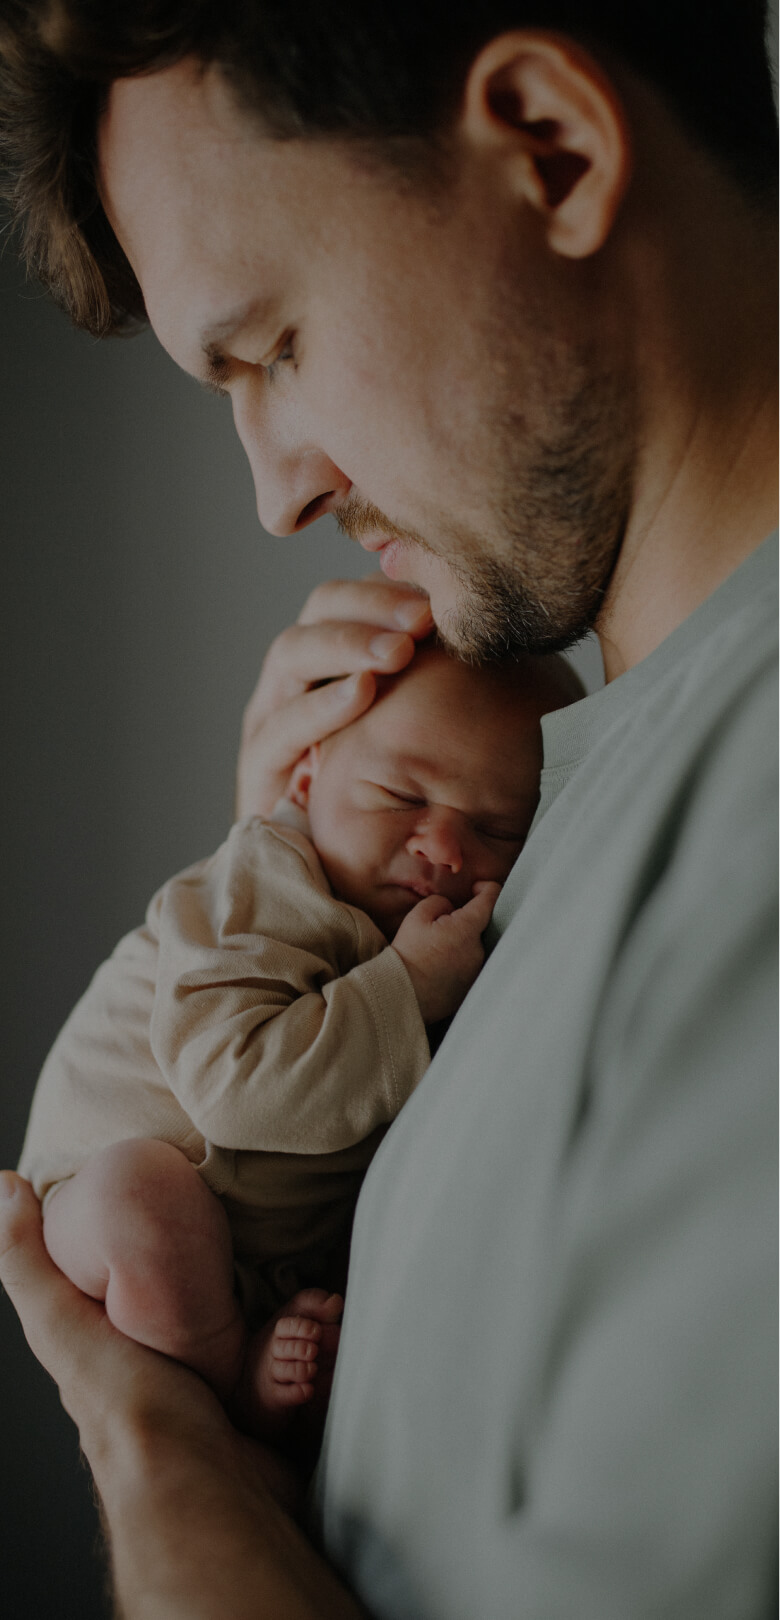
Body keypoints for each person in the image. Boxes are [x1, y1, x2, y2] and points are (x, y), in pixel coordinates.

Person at [0, 3, 776, 1618]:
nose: (279, 493)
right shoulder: (548, 826)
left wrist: (150, 1445)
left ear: (550, 149)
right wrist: (304, 886)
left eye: (274, 348)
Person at [18, 642, 578, 1432]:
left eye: (497, 828)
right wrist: (410, 989)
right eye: (399, 793)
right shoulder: (264, 880)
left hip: (251, 1255)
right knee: (140, 1195)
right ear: (308, 782)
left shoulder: (434, 943)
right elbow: (236, 1094)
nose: (445, 849)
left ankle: (247, 1345)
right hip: (96, 1212)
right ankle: (226, 1380)